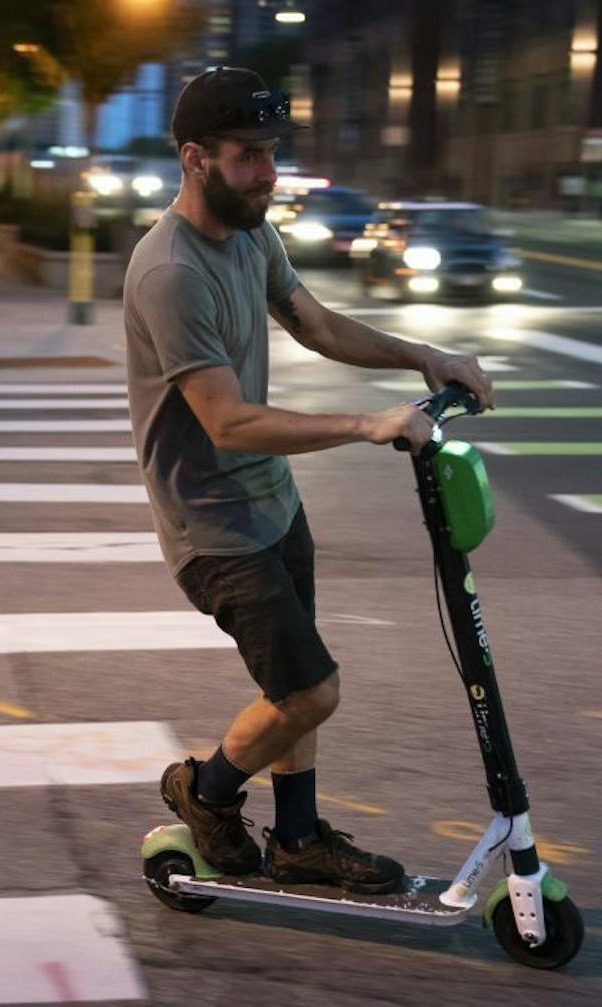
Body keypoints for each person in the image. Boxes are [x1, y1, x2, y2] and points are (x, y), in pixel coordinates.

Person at [124, 67, 494, 894]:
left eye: (271, 153)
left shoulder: (253, 232)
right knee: (311, 690)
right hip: (211, 524)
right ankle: (205, 790)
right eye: (249, 155)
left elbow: (317, 323)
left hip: (272, 502)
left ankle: (297, 837)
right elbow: (226, 420)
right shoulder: (168, 272)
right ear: (195, 158)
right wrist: (369, 423)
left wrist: (424, 355)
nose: (268, 173)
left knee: (287, 686)